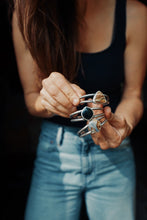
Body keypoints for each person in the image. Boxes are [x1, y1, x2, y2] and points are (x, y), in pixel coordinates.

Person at [11, 0, 147, 219]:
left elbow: (133, 94)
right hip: (55, 153)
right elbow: (31, 98)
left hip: (114, 155)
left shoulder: (134, 13)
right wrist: (48, 101)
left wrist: (124, 122)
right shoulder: (27, 12)